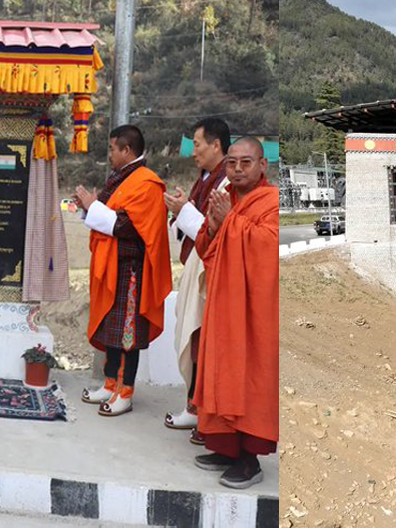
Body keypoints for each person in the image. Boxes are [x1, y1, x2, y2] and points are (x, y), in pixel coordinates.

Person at [191, 137, 278, 489]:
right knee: (220, 369)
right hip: (223, 302)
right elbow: (206, 247)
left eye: (246, 162)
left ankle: (249, 459)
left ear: (262, 166)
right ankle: (225, 448)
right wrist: (213, 226)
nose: (238, 169)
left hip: (253, 310)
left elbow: (268, 247)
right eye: (232, 163)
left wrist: (229, 222)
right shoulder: (227, 199)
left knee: (249, 375)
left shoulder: (269, 201)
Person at [73, 125, 172, 417]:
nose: (110, 155)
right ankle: (109, 383)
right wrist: (88, 207)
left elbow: (126, 226)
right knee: (110, 328)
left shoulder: (147, 183)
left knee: (128, 333)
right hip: (112, 267)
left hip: (131, 271)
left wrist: (94, 207)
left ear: (126, 150)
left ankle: (125, 391)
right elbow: (107, 214)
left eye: (113, 149)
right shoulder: (120, 179)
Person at [163, 118, 230, 442]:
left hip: (212, 272)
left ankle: (202, 410)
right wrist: (182, 209)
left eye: (198, 145)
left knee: (201, 340)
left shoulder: (228, 184)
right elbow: (200, 223)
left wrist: (183, 211)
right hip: (196, 264)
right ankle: (194, 407)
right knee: (192, 339)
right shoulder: (206, 179)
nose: (194, 152)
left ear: (216, 145)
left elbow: (219, 231)